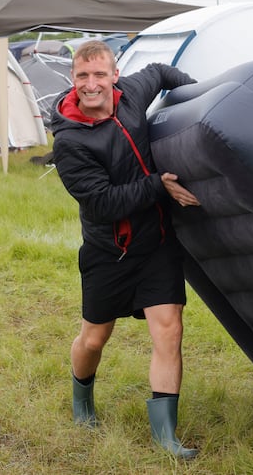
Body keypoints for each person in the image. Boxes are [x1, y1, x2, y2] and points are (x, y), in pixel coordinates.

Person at [50, 40, 201, 459]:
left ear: (115, 75)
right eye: (83, 76)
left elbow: (162, 70)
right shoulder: (70, 142)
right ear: (73, 80)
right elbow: (101, 204)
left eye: (100, 74)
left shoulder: (132, 93)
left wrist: (200, 101)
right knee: (95, 338)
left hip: (156, 244)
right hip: (108, 252)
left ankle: (166, 437)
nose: (92, 84)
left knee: (169, 328)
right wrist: (158, 185)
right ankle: (82, 401)